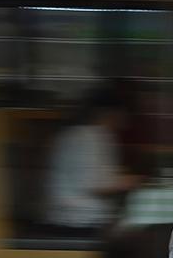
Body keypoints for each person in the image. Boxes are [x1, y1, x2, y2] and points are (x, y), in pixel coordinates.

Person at [44, 90, 140, 236]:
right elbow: (93, 182)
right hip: (76, 221)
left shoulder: (87, 135)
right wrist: (132, 181)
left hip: (78, 218)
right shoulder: (87, 137)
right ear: (111, 113)